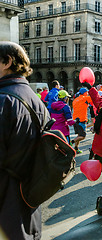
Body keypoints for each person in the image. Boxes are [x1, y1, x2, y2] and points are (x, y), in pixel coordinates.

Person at [0, 41, 49, 239]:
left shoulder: (4, 100)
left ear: (7, 62)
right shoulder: (35, 99)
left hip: (5, 205)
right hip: (28, 201)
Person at [72, 87, 92, 154]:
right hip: (81, 120)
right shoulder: (85, 98)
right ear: (84, 93)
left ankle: (76, 148)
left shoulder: (75, 100)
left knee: (79, 135)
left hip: (75, 120)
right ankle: (71, 142)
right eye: (87, 92)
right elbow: (94, 97)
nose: (88, 93)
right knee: (82, 136)